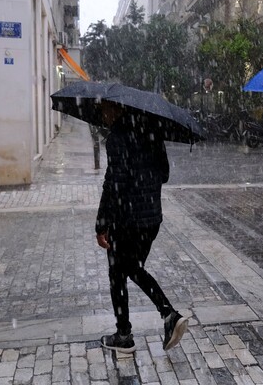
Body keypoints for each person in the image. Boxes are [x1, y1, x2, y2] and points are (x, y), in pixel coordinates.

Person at [95, 102, 189, 353]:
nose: (102, 114)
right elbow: (165, 174)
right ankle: (130, 330)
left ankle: (159, 318)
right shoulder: (152, 132)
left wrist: (101, 222)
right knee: (128, 270)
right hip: (151, 219)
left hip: (127, 220)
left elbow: (114, 182)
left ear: (116, 109)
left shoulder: (117, 137)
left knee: (121, 272)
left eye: (104, 109)